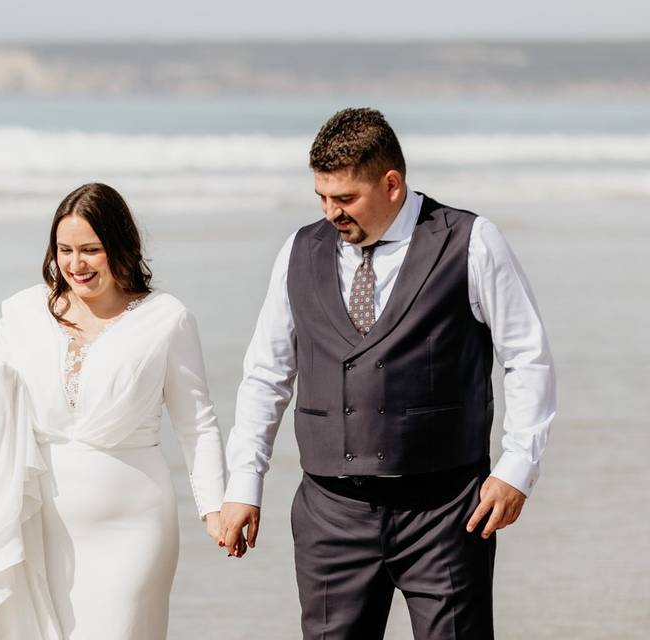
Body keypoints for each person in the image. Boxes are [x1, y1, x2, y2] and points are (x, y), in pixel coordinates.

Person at [218, 108, 556, 639]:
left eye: (346, 198)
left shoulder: (471, 241)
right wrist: (244, 483)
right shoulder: (298, 252)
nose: (332, 213)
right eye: (322, 198)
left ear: (392, 184)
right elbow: (267, 374)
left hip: (446, 510)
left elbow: (527, 357)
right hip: (330, 515)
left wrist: (517, 467)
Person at [0, 183, 228, 640]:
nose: (76, 264)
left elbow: (197, 422)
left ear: (120, 246)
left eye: (91, 249)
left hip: (135, 526)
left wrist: (215, 507)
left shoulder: (166, 318)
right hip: (41, 528)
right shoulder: (22, 312)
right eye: (65, 250)